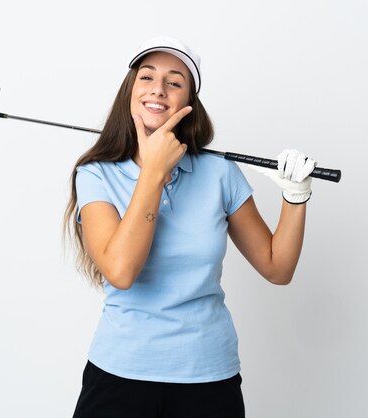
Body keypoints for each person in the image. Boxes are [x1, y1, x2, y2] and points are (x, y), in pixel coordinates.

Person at [64, 36, 316, 418]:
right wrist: (152, 172)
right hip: (120, 375)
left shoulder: (219, 172)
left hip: (209, 378)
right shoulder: (96, 174)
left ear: (189, 103)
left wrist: (295, 198)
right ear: (130, 90)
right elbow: (120, 271)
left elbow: (277, 268)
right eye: (146, 77)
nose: (158, 90)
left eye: (175, 82)